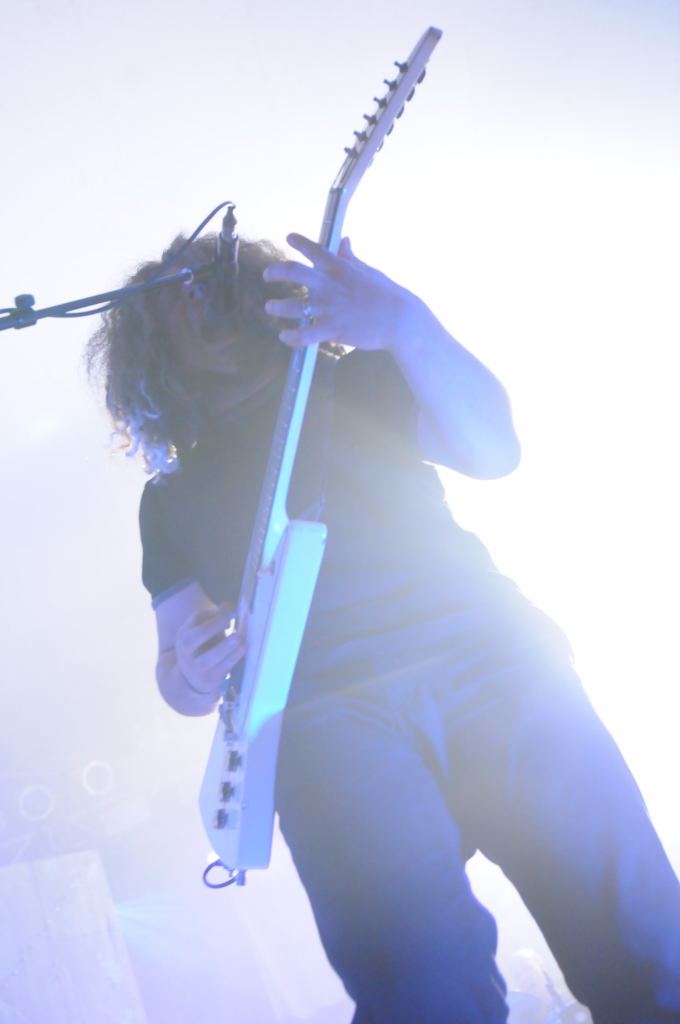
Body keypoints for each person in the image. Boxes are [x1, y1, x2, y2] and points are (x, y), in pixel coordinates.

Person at [87, 225, 680, 1024]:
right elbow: (179, 672)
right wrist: (191, 675)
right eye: (176, 293)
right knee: (419, 986)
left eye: (210, 277)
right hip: (322, 716)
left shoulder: (362, 382)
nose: (199, 294)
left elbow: (495, 450)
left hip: (493, 659)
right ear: (151, 347)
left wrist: (407, 322)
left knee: (644, 941)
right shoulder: (170, 497)